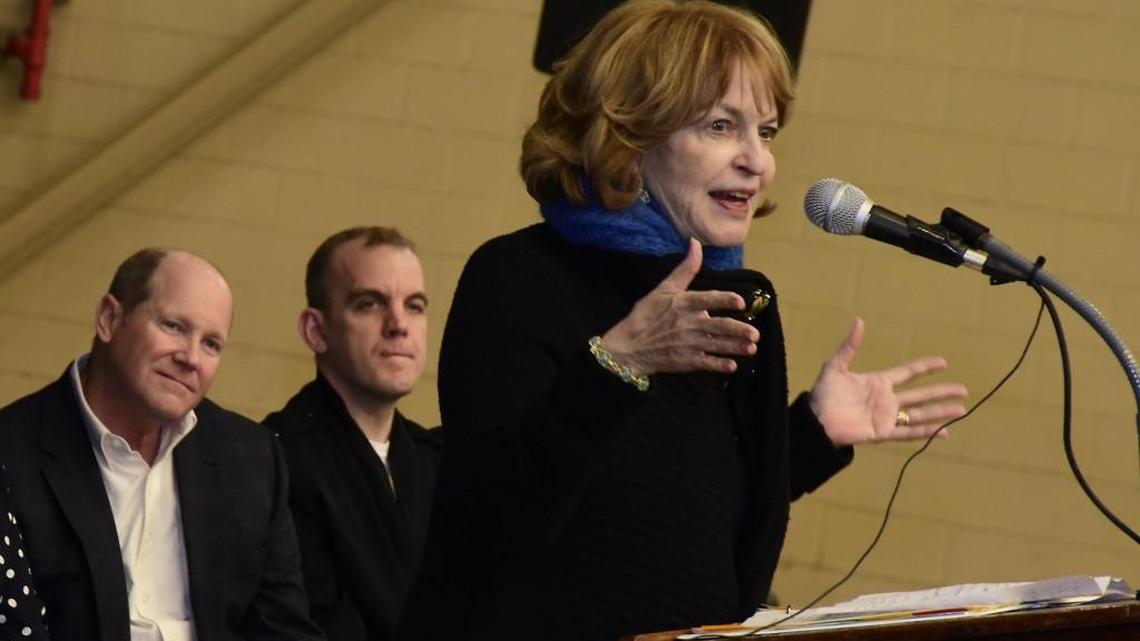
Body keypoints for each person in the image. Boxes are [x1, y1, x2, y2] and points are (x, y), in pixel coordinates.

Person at [397, 2, 969, 640]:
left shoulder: (730, 299)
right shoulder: (519, 277)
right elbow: (495, 518)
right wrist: (617, 366)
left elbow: (684, 518)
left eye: (767, 132)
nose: (758, 161)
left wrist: (810, 434)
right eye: (721, 126)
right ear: (629, 139)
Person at [0, 249, 323, 641]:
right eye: (173, 326)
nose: (191, 358)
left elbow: (284, 629)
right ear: (109, 319)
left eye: (211, 344)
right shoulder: (12, 450)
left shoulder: (252, 458)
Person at [263, 227, 442, 641]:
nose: (399, 325)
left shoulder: (436, 460)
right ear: (316, 331)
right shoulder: (275, 460)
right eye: (369, 303)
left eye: (414, 306)